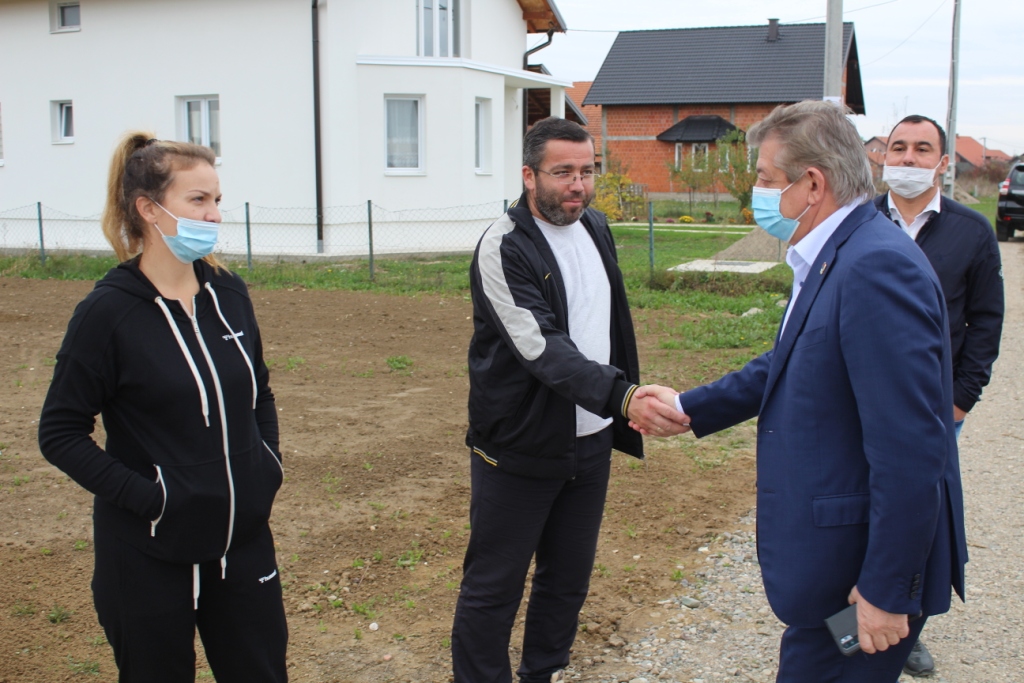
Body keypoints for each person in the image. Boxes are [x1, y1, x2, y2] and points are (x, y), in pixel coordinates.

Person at [634, 101, 967, 683]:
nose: (757, 194)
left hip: (857, 576)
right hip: (834, 571)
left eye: (766, 179)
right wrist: (689, 407)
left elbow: (911, 449)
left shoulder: (873, 267)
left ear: (812, 184)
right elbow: (794, 359)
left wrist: (886, 590)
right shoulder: (835, 252)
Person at [38, 133, 287, 682]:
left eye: (217, 199)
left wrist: (266, 466)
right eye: (198, 200)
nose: (214, 214)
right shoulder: (107, 314)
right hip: (148, 554)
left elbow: (259, 393)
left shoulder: (230, 295)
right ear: (149, 209)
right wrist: (153, 501)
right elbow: (59, 432)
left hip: (242, 546)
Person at [452, 117, 687, 683]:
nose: (578, 185)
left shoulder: (596, 227)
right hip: (519, 445)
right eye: (563, 172)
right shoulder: (503, 246)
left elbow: (604, 322)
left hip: (590, 439)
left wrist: (613, 405)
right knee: (494, 587)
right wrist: (623, 396)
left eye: (587, 171)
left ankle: (544, 672)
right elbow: (541, 346)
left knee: (567, 579)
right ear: (529, 175)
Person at [874, 114, 1004, 677]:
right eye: (898, 147)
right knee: (861, 513)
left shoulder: (971, 232)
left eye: (922, 149)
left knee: (919, 518)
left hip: (933, 408)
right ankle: (853, 618)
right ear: (883, 156)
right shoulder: (857, 221)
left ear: (943, 162)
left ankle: (908, 627)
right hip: (861, 403)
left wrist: (961, 400)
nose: (908, 158)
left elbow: (986, 321)